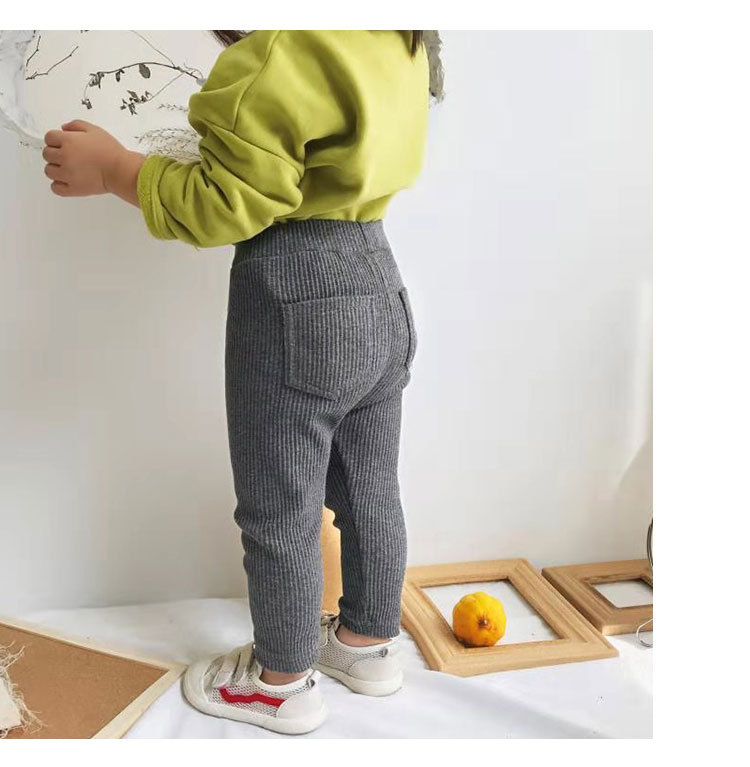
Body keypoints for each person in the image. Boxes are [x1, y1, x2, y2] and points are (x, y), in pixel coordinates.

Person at [42, 30, 429, 735]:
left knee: (281, 504)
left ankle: (280, 682)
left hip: (297, 289)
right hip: (381, 278)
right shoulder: (393, 34)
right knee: (371, 484)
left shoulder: (281, 51)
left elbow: (226, 204)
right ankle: (369, 642)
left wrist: (119, 168)